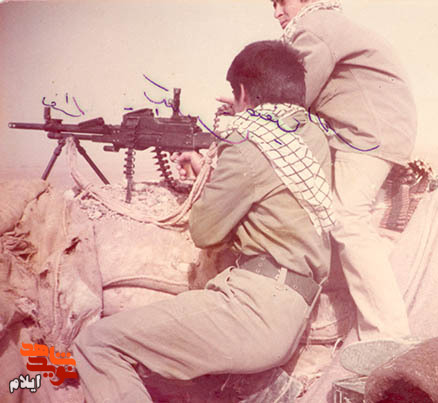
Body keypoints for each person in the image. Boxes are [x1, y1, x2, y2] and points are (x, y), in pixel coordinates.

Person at [72, 40, 335, 402]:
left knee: (97, 343)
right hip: (289, 304)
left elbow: (205, 230)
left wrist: (220, 161)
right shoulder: (310, 134)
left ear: (243, 92)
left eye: (235, 94)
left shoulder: (247, 141)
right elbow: (266, 185)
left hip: (255, 308)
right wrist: (208, 166)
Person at [270, 0, 418, 342]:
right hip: (371, 131)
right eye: (272, 4)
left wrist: (246, 110)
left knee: (347, 218)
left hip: (366, 136)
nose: (276, 12)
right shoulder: (328, 24)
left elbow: (293, 98)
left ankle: (388, 333)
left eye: (282, 2)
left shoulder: (313, 28)